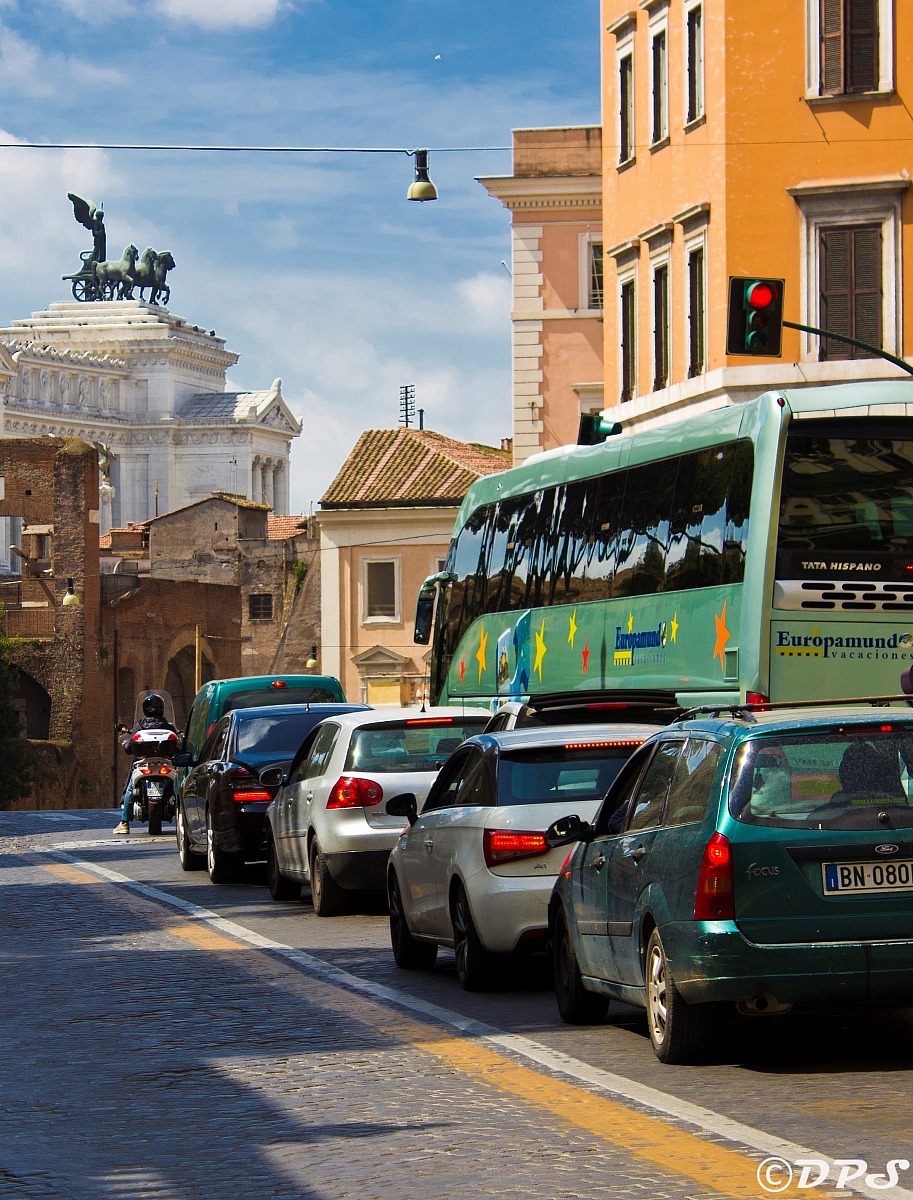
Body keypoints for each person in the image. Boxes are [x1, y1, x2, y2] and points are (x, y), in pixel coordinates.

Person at [113, 694, 177, 834]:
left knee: (131, 787)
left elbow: (129, 749)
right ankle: (182, 815)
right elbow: (178, 747)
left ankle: (124, 822)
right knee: (178, 785)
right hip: (165, 764)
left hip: (144, 764)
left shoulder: (139, 727)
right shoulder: (168, 726)